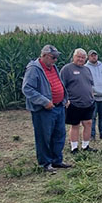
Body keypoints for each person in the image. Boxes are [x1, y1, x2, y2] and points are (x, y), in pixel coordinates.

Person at [22, 45, 71, 173]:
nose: (55, 60)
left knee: (59, 134)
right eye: (53, 57)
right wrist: (44, 102)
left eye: (56, 57)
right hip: (44, 109)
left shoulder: (53, 67)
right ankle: (45, 163)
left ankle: (57, 160)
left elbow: (58, 83)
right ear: (43, 56)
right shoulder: (34, 69)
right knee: (44, 137)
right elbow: (27, 89)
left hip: (58, 106)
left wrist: (65, 98)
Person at [60, 48, 97, 154]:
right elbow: (61, 86)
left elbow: (90, 84)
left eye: (83, 57)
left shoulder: (87, 69)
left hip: (88, 102)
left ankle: (86, 146)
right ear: (74, 57)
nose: (81, 59)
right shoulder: (67, 69)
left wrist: (92, 95)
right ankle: (74, 147)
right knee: (75, 125)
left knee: (88, 123)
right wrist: (65, 100)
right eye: (79, 57)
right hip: (74, 103)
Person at [85, 50, 102, 139]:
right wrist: (90, 91)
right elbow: (85, 81)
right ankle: (92, 135)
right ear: (88, 57)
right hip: (93, 97)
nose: (94, 57)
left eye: (95, 55)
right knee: (92, 117)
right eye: (92, 56)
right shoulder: (86, 68)